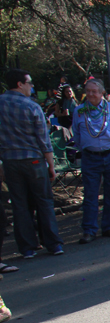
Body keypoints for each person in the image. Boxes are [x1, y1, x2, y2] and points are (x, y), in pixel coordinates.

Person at [0, 69, 64, 258]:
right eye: (30, 83)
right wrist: (51, 165)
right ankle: (53, 244)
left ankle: (27, 247)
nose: (32, 86)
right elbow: (43, 140)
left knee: (19, 204)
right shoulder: (31, 106)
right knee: (44, 201)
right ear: (20, 84)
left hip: (10, 160)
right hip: (33, 159)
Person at [72, 79, 110, 243]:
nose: (91, 95)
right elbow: (77, 135)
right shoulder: (79, 111)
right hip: (90, 156)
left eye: (94, 91)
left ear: (102, 93)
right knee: (91, 193)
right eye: (88, 91)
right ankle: (89, 230)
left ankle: (108, 226)